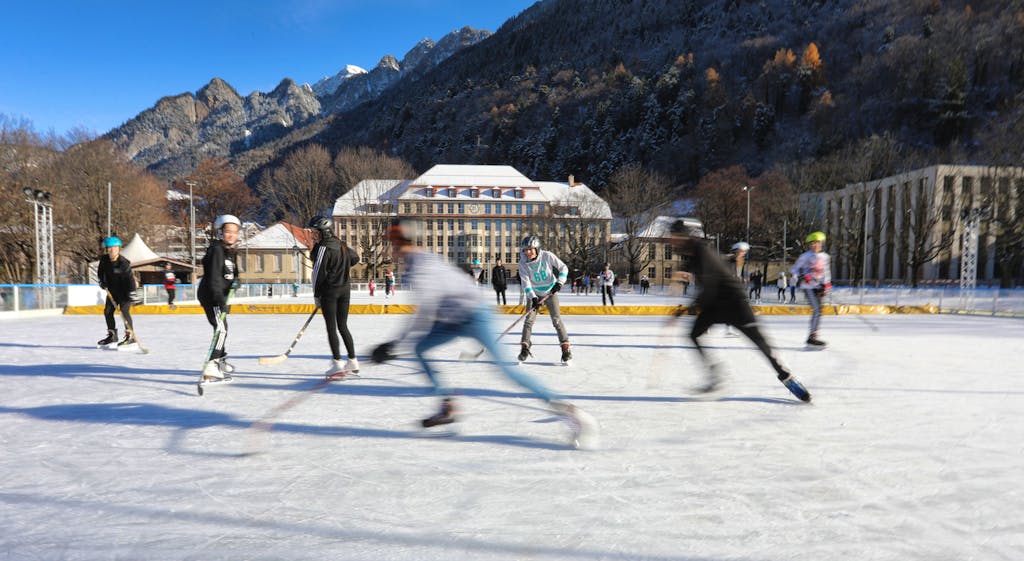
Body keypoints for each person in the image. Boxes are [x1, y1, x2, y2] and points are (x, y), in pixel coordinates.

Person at [370, 220, 597, 448]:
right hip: (452, 318)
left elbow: (424, 312)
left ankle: (573, 414)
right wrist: (398, 344)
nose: (391, 249)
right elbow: (429, 311)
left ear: (400, 242)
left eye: (392, 243)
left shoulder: (421, 265)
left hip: (475, 314)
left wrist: (394, 344)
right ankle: (447, 406)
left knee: (507, 372)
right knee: (419, 348)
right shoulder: (418, 262)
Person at [667, 219, 811, 402]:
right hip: (716, 305)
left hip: (735, 303)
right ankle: (715, 376)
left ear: (685, 236)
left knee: (760, 342)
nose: (672, 241)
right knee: (693, 333)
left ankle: (786, 377)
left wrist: (685, 310)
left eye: (675, 237)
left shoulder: (704, 252)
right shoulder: (692, 252)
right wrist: (680, 276)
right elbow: (692, 269)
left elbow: (709, 289)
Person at [309, 215, 361, 377]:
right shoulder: (340, 243)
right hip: (345, 290)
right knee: (343, 326)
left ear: (324, 232)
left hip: (329, 293)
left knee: (332, 328)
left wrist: (317, 295)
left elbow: (317, 274)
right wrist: (341, 268)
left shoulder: (323, 247)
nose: (313, 235)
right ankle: (353, 361)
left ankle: (337, 364)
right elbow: (355, 258)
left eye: (315, 232)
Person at [198, 215, 241, 380]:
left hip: (220, 295)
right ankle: (211, 365)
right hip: (212, 296)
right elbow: (214, 277)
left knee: (223, 328)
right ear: (221, 232)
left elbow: (233, 273)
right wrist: (219, 299)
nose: (231, 235)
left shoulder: (230, 251)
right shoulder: (217, 250)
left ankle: (220, 360)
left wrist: (237, 281)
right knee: (221, 329)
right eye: (228, 231)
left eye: (234, 232)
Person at [518, 235, 573, 364]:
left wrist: (559, 283)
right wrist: (534, 298)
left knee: (556, 320)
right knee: (528, 321)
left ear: (537, 248)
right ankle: (525, 347)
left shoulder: (547, 256)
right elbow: (526, 283)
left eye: (530, 249)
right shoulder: (523, 263)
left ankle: (565, 348)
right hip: (535, 294)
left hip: (550, 292)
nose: (527, 252)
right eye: (525, 250)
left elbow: (563, 267)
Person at [791, 231, 833, 348]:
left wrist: (827, 284)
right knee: (817, 310)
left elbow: (826, 272)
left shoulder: (825, 257)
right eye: (812, 243)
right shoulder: (805, 257)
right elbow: (794, 269)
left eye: (817, 243)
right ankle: (812, 337)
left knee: (819, 311)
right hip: (808, 287)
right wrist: (802, 276)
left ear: (821, 244)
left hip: (819, 287)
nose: (815, 246)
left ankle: (813, 335)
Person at [96, 236, 137, 348]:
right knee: (108, 312)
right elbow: (100, 272)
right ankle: (112, 335)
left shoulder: (123, 263)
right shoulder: (104, 260)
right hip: (112, 291)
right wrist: (102, 281)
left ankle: (131, 336)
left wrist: (132, 293)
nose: (111, 250)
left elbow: (130, 279)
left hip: (125, 292)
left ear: (119, 249)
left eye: (114, 247)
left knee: (124, 312)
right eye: (109, 248)